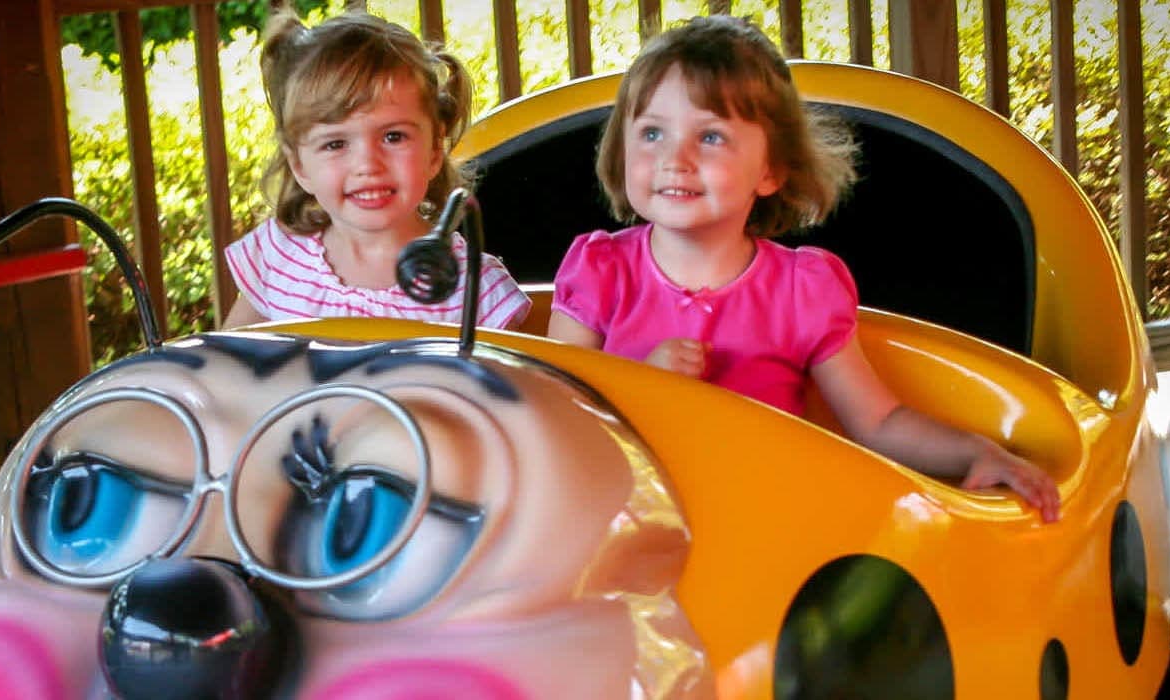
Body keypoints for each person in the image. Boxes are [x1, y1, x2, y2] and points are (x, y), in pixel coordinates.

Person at [548, 16, 1060, 522]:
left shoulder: (801, 290)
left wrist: (974, 452)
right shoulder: (600, 271)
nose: (674, 159)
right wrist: (640, 386)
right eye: (653, 132)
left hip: (768, 525)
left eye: (710, 137)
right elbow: (554, 419)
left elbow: (878, 421)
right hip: (629, 532)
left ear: (770, 169)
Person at [221, 10, 531, 330]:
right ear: (299, 165)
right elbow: (225, 362)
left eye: (393, 136)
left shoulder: (473, 288)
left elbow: (504, 380)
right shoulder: (278, 258)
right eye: (335, 144)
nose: (368, 164)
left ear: (435, 149)